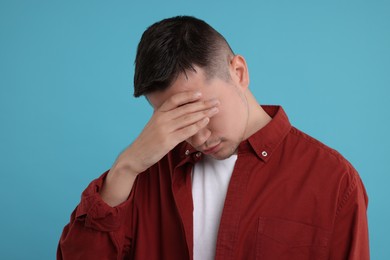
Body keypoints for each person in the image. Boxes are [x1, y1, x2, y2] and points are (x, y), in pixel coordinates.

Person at [57, 16, 369, 260]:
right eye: (175, 117)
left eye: (200, 110)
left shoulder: (334, 182)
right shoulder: (142, 177)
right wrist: (125, 168)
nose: (196, 136)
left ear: (239, 72)